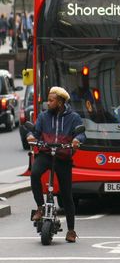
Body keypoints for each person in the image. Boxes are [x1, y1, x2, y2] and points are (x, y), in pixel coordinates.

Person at [27, 86, 86, 243]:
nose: (48, 103)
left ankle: (71, 231)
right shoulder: (43, 117)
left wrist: (76, 140)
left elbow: (81, 133)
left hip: (63, 157)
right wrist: (31, 136)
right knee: (34, 174)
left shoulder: (73, 118)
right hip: (46, 154)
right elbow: (35, 132)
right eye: (48, 99)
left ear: (60, 102)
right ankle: (40, 207)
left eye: (51, 100)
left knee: (67, 195)